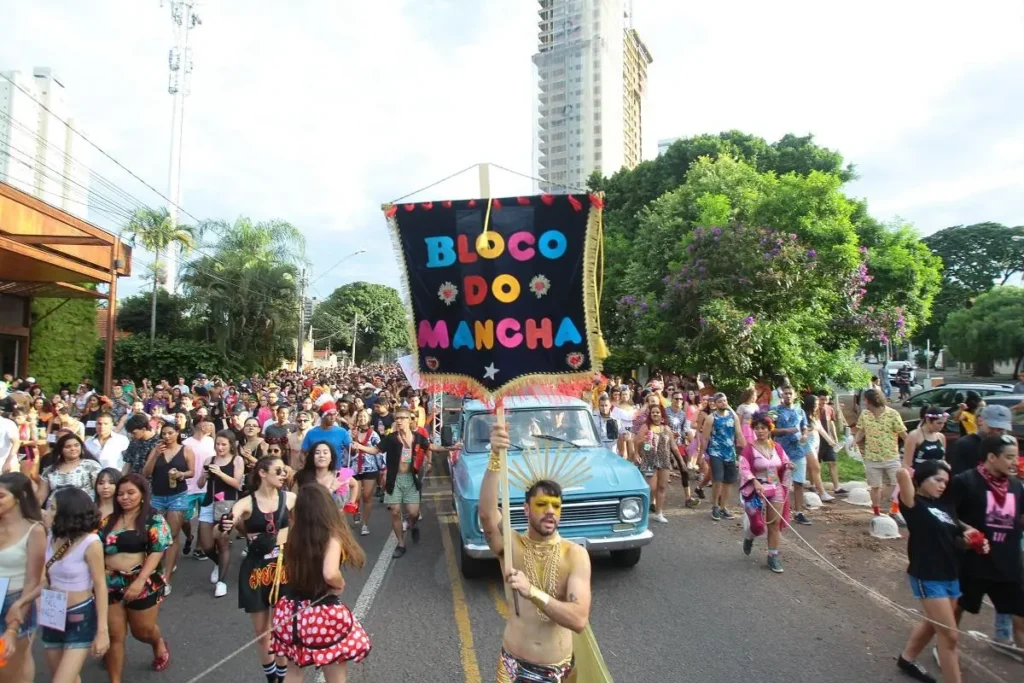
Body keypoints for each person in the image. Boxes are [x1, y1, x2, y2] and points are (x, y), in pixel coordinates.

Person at [480, 421, 591, 682]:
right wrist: (495, 457)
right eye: (542, 504)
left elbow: (578, 620)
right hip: (513, 668)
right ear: (526, 509)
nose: (550, 511)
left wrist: (532, 592)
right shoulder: (512, 546)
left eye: (555, 505)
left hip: (561, 671)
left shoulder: (574, 555)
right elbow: (486, 515)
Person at [270, 484, 371, 681]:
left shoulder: (292, 535)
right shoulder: (332, 536)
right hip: (321, 612)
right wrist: (339, 582)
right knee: (334, 668)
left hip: (290, 610)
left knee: (294, 669)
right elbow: (329, 572)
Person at [217, 455, 296, 683]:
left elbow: (306, 526)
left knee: (283, 629)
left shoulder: (290, 498)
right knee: (263, 633)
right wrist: (225, 525)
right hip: (257, 569)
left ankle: (282, 675)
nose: (283, 474)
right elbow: (219, 531)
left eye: (285, 471)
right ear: (262, 473)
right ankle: (271, 674)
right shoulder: (246, 503)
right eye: (278, 470)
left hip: (284, 567)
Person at [945, 434, 1024, 654]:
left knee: (1019, 613)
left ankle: (1015, 649)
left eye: (1016, 457)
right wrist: (966, 532)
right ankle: (945, 648)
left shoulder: (1017, 487)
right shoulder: (965, 481)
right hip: (973, 565)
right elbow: (947, 514)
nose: (1014, 462)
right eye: (1008, 457)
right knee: (957, 609)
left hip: (1009, 565)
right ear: (991, 456)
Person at [99, 473, 172, 681]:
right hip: (110, 583)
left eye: (131, 493)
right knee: (115, 636)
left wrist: (140, 581)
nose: (125, 498)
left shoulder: (153, 518)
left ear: (142, 495)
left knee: (143, 631)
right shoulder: (107, 520)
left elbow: (158, 551)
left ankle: (157, 642)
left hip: (142, 582)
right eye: (121, 494)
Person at [40, 488, 109, 683]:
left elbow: (100, 585)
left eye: (52, 508)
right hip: (51, 611)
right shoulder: (49, 536)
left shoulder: (90, 542)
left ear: (67, 512)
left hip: (80, 615)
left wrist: (102, 630)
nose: (47, 511)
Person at [366, 407, 455, 558]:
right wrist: (359, 446)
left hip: (410, 479)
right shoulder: (391, 438)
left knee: (413, 513)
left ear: (409, 420)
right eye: (397, 418)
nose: (399, 421)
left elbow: (431, 447)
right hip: (394, 480)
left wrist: (450, 447)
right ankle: (400, 544)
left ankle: (413, 525)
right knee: (394, 511)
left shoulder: (417, 437)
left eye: (402, 418)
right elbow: (376, 450)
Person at [0, 473, 45, 682]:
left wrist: (12, 627)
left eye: (1, 496)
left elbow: (32, 581)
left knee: (8, 672)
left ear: (18, 497)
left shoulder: (34, 530)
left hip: (15, 602)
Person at [142, 421, 195, 592]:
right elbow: (146, 473)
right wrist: (155, 455)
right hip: (157, 496)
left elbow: (192, 472)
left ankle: (166, 577)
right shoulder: (157, 450)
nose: (167, 436)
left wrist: (181, 474)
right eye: (164, 433)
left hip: (177, 496)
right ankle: (156, 566)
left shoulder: (186, 450)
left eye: (170, 433)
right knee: (156, 534)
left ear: (177, 433)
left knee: (172, 535)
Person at [738, 413, 792, 573]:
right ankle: (749, 537)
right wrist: (754, 481)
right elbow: (743, 467)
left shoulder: (777, 447)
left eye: (763, 428)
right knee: (757, 525)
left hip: (775, 486)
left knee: (774, 523)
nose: (760, 431)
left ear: (769, 429)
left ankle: (772, 556)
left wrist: (789, 465)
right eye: (757, 428)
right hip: (756, 488)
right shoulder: (749, 449)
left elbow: (784, 461)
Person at [196, 430, 245, 599]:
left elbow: (237, 484)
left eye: (224, 444)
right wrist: (204, 475)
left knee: (222, 542)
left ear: (231, 445)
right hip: (209, 503)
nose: (220, 447)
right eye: (217, 444)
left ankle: (221, 582)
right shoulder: (209, 460)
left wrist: (220, 473)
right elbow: (200, 483)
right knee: (207, 545)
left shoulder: (237, 460)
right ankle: (218, 563)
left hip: (227, 504)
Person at [854, 388, 907, 521]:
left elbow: (902, 433)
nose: (864, 403)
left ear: (868, 400)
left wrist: (912, 445)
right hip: (872, 457)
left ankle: (894, 510)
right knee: (875, 486)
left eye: (865, 400)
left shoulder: (892, 414)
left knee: (897, 484)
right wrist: (854, 442)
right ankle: (876, 513)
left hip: (891, 456)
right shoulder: (865, 415)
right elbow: (861, 431)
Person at [772, 386, 811, 525]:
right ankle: (779, 510)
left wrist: (805, 435)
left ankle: (799, 512)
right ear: (781, 396)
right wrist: (786, 430)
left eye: (790, 393)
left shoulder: (800, 411)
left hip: (798, 451)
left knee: (799, 482)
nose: (788, 395)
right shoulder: (775, 410)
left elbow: (804, 427)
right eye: (785, 393)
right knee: (781, 482)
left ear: (794, 395)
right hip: (781, 451)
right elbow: (769, 429)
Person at [38, 433, 104, 509]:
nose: (73, 448)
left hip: (83, 511)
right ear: (61, 450)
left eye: (76, 445)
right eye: (68, 446)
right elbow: (40, 496)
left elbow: (100, 491)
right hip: (56, 512)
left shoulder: (91, 466)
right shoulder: (50, 470)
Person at [947, 405, 1013, 476]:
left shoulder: (1005, 445)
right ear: (980, 421)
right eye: (993, 426)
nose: (997, 431)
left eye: (1002, 428)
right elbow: (958, 478)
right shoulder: (964, 445)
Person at [349, 410, 385, 536]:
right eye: (360, 416)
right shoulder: (351, 433)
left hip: (370, 469)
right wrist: (353, 443)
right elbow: (350, 453)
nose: (362, 418)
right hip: (354, 468)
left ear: (368, 419)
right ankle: (356, 511)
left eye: (364, 416)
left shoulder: (374, 434)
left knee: (367, 497)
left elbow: (378, 450)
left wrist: (382, 468)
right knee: (356, 496)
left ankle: (365, 524)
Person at [902, 406, 948, 473]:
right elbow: (907, 463)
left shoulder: (941, 437)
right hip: (920, 475)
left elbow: (943, 460)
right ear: (928, 420)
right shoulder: (914, 436)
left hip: (937, 475)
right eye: (939, 423)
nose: (942, 426)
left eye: (944, 423)